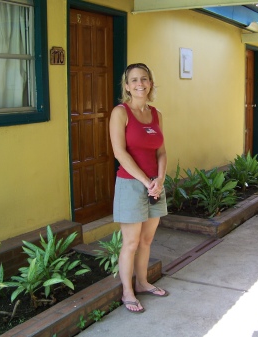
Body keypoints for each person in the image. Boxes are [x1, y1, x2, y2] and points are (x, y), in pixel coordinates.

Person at [109, 63, 169, 314]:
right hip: (131, 185)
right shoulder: (120, 113)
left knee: (146, 240)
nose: (139, 83)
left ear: (151, 83)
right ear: (126, 86)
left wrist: (161, 180)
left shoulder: (156, 114)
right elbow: (119, 152)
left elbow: (162, 151)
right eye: (133, 80)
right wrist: (146, 182)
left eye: (144, 79)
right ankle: (127, 292)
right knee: (131, 243)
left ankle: (143, 283)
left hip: (155, 185)